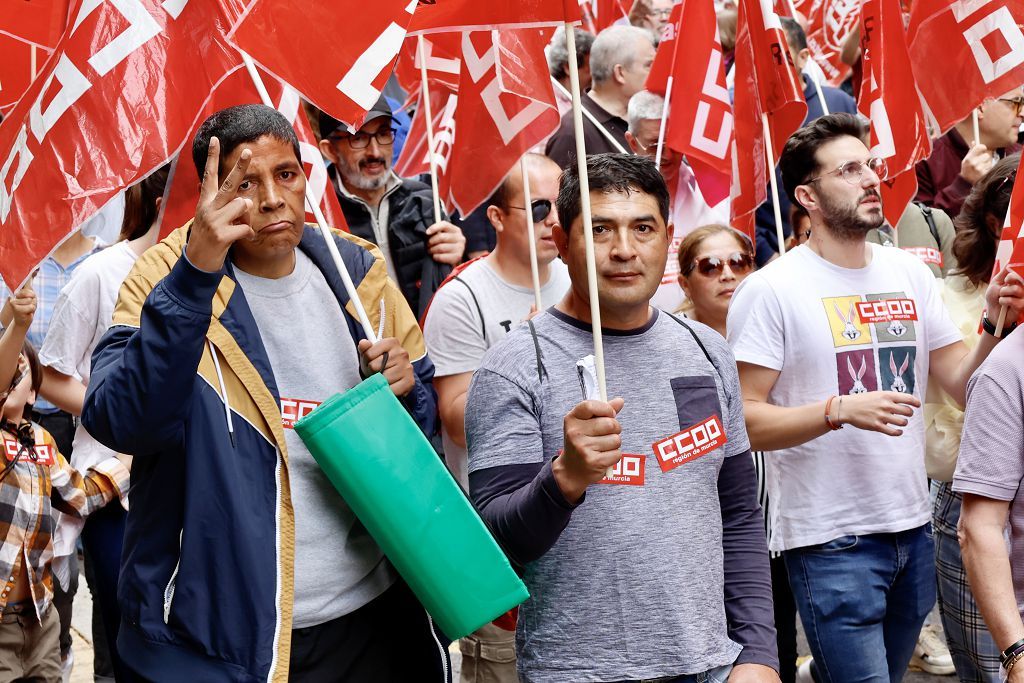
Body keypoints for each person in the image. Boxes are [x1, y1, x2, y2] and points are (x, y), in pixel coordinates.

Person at [81, 104, 449, 681]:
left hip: (372, 618)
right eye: (244, 182)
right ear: (210, 192)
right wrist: (194, 277)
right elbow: (125, 419)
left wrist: (405, 394)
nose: (273, 199)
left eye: (286, 174)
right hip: (224, 640)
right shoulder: (162, 274)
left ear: (308, 177)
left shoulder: (358, 269)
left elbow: (425, 439)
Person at [728, 112, 1024, 683]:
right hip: (829, 538)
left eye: (870, 166)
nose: (870, 179)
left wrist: (991, 323)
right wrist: (836, 411)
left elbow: (959, 386)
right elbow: (745, 420)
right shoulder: (771, 289)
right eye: (849, 170)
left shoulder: (906, 274)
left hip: (913, 529)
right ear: (807, 196)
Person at [466, 153, 779, 682]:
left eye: (643, 228)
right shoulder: (514, 366)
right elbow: (496, 541)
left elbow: (739, 515)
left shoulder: (706, 349)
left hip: (713, 666)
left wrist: (758, 655)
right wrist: (564, 480)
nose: (624, 250)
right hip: (578, 670)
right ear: (561, 243)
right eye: (600, 229)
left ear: (668, 239)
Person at [423, 153, 570, 682]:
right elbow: (456, 419)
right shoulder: (463, 298)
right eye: (536, 208)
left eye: (562, 205)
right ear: (497, 218)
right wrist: (521, 356)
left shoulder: (585, 282)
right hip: (501, 542)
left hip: (581, 536)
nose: (553, 221)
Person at [34, 166, 170, 681]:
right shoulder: (102, 273)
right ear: (166, 200)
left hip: (197, 483)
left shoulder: (228, 277)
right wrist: (119, 414)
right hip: (117, 486)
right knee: (123, 635)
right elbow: (50, 374)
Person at [926, 157, 1021, 683]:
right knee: (993, 668)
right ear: (994, 224)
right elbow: (965, 392)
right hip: (972, 501)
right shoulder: (952, 296)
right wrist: (996, 323)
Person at [0, 333, 130, 683]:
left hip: (39, 615)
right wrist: (19, 322)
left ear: (33, 393)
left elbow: (80, 495)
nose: (10, 374)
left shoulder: (41, 442)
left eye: (19, 370)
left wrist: (127, 460)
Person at [318, 95, 466, 317]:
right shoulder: (319, 217)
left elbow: (450, 288)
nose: (375, 152)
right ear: (330, 151)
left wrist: (458, 257)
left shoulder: (424, 200)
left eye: (383, 133)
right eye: (358, 138)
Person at [754, 18, 858, 265]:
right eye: (763, 59)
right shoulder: (745, 111)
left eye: (781, 57)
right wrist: (767, 254)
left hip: (838, 244)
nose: (772, 68)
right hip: (771, 248)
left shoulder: (836, 103)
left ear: (802, 57)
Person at [625, 90, 729, 310]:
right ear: (632, 142)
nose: (668, 155)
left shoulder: (709, 191)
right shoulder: (617, 200)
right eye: (654, 145)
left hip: (707, 323)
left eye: (674, 142)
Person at [545, 26, 655, 168]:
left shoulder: (642, 117)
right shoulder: (573, 133)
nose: (656, 72)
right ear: (620, 73)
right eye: (649, 65)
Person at [916, 88, 1023, 218]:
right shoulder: (924, 160)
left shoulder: (1019, 156)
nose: (1022, 113)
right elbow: (924, 231)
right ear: (979, 107)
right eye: (1015, 102)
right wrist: (964, 185)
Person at [546, 27, 595, 118]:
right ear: (569, 67)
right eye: (590, 67)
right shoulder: (552, 112)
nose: (594, 74)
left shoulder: (583, 100)